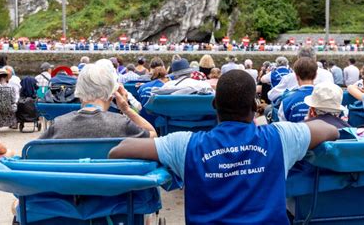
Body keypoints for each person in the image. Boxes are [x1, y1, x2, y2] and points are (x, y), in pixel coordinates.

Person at [109, 70, 339, 224]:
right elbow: (331, 130)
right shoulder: (281, 137)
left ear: (214, 105)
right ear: (254, 105)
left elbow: (120, 150)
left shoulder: (186, 145)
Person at [40, 60, 156, 139]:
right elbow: (153, 135)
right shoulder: (122, 125)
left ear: (79, 95)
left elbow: (33, 149)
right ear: (111, 97)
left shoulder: (59, 125)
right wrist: (126, 109)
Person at [268, 47, 334, 103]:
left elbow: (272, 95)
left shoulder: (289, 77)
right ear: (315, 58)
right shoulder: (328, 74)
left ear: (298, 58)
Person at [278, 57, 316, 123]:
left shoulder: (286, 101)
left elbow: (284, 127)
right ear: (315, 75)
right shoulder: (325, 98)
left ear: (296, 76)